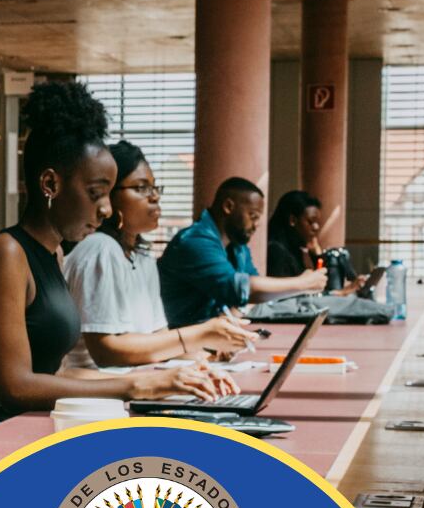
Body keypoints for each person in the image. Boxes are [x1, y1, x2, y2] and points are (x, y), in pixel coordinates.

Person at [0, 81, 222, 421]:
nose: (107, 210)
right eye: (96, 193)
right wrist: (135, 387)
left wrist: (162, 380)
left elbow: (59, 374)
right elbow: (15, 386)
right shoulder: (7, 253)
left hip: (22, 423)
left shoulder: (55, 254)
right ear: (50, 184)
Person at [63, 141, 254, 373]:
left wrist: (208, 354)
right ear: (110, 196)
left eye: (155, 188)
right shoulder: (99, 249)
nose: (154, 197)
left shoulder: (142, 256)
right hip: (95, 393)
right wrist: (201, 333)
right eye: (141, 188)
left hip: (137, 381)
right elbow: (106, 351)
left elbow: (158, 337)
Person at [159, 177, 328, 327]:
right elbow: (241, 289)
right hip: (179, 341)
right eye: (253, 216)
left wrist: (229, 322)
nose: (256, 225)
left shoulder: (237, 245)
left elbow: (255, 290)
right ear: (228, 206)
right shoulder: (196, 240)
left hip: (206, 338)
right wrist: (303, 283)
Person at [266, 189, 325, 277]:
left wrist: (317, 256)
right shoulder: (276, 251)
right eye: (310, 221)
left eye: (317, 222)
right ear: (292, 220)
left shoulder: (293, 248)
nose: (316, 227)